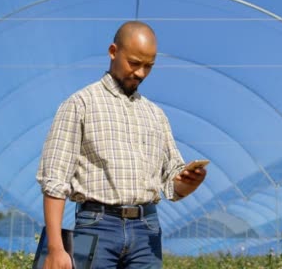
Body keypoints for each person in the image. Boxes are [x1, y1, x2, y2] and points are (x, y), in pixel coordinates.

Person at [36, 21, 207, 269]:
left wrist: (189, 181)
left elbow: (171, 182)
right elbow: (55, 178)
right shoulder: (80, 104)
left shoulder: (155, 115)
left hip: (146, 230)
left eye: (148, 66)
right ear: (113, 51)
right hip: (97, 225)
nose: (140, 73)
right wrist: (55, 247)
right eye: (134, 63)